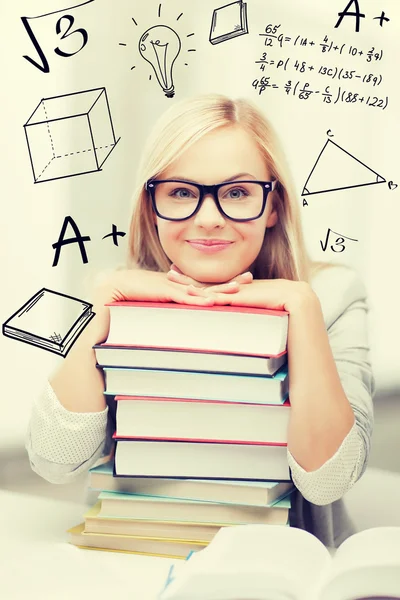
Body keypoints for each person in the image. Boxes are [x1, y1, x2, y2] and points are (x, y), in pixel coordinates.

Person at [25, 93, 375, 548]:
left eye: (236, 193)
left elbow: (328, 481)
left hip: (279, 568)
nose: (208, 219)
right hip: (135, 556)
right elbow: (55, 462)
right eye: (182, 193)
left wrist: (302, 309)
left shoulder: (330, 295)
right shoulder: (116, 292)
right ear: (151, 206)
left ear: (272, 206)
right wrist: (102, 308)